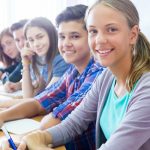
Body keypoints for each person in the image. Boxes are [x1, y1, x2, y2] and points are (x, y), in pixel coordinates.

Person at [15, 0, 150, 150]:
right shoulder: (106, 77)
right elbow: (73, 124)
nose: (99, 40)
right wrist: (32, 138)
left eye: (111, 29)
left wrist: (37, 145)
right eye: (93, 31)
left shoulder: (146, 88)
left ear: (133, 35)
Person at [0, 4, 104, 150]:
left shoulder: (99, 71)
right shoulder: (73, 71)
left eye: (74, 36)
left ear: (92, 36)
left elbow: (52, 121)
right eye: (62, 36)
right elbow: (38, 102)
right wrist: (2, 117)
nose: (66, 43)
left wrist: (27, 139)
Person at [20, 17, 70, 98]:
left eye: (40, 37)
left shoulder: (61, 60)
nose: (36, 44)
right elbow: (28, 96)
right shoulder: (44, 60)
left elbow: (42, 99)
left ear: (51, 35)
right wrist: (25, 65)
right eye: (31, 40)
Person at [3, 19, 28, 93]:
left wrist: (4, 76)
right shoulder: (22, 59)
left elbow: (11, 79)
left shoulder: (28, 58)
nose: (6, 50)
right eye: (3, 47)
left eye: (9, 43)